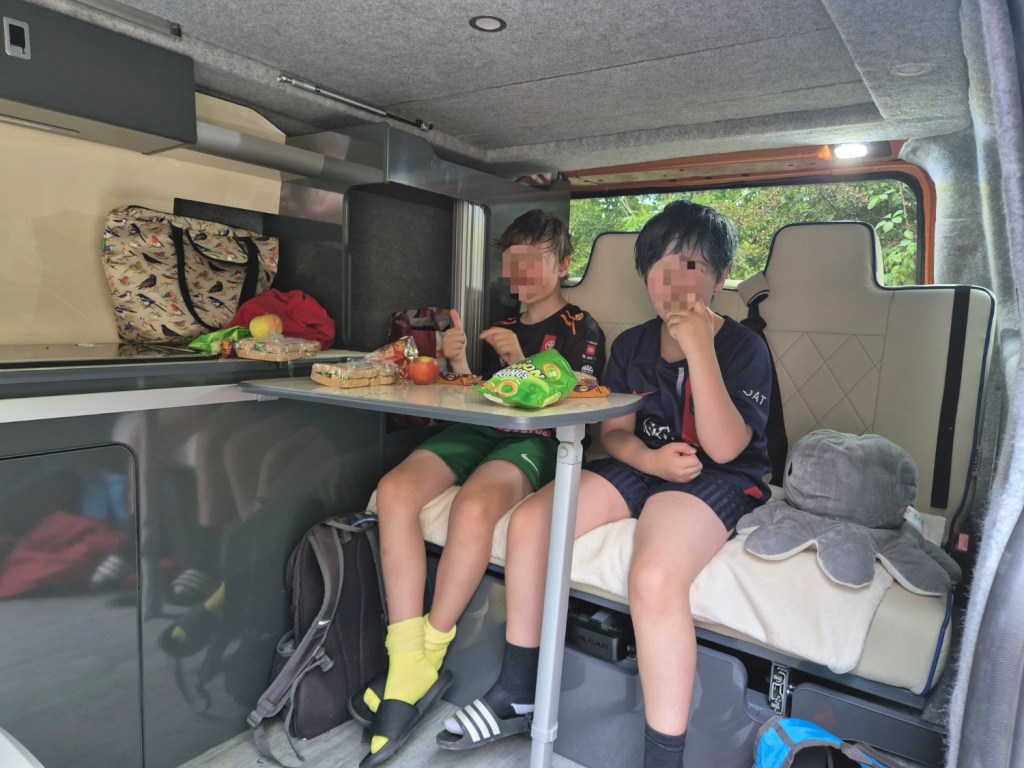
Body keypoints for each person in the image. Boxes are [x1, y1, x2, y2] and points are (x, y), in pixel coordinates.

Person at [437, 200, 772, 768]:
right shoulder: (636, 345)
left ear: (718, 278)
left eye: (691, 265)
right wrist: (649, 459)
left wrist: (699, 349)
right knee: (532, 523)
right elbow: (613, 434)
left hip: (715, 475)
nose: (673, 281)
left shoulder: (744, 348)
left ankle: (662, 757)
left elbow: (726, 448)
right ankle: (518, 690)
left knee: (655, 573)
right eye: (659, 266)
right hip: (643, 461)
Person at [355, 209, 606, 766]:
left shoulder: (582, 328)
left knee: (472, 508)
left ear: (563, 265)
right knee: (395, 489)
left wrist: (528, 365)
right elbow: (481, 393)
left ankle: (430, 651)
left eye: (535, 260)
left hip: (536, 438)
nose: (522, 272)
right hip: (479, 427)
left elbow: (583, 399)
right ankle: (407, 655)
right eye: (513, 263)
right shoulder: (500, 321)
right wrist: (459, 361)